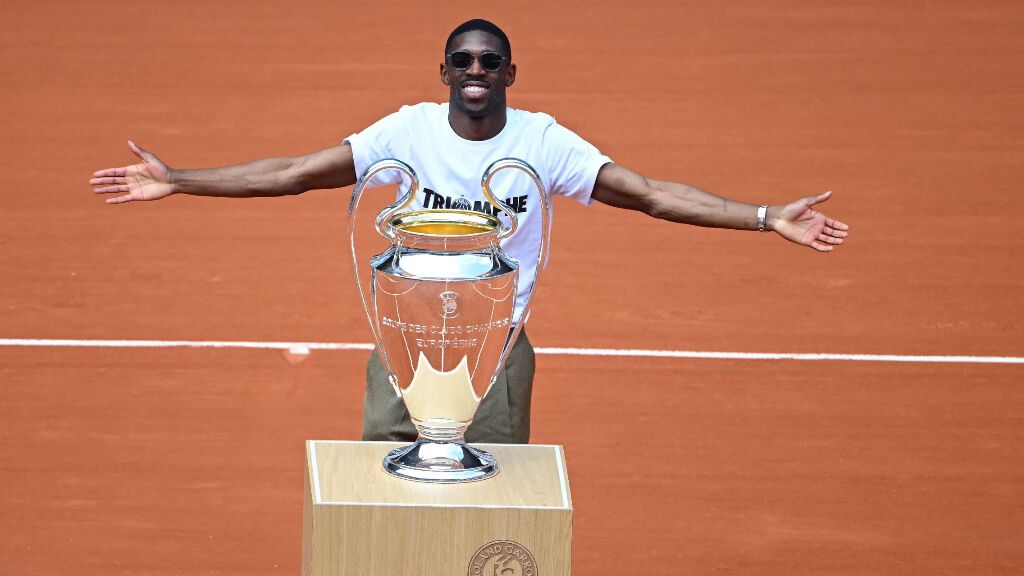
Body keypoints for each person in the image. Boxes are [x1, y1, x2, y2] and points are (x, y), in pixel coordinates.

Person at [90, 19, 850, 445]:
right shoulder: (407, 132)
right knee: (385, 482)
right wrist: (180, 179)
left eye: (490, 61)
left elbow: (650, 194)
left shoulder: (545, 141)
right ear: (445, 72)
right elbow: (294, 171)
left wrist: (763, 216)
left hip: (498, 348)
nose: (476, 69)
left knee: (491, 498)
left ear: (509, 74)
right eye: (463, 61)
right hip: (405, 343)